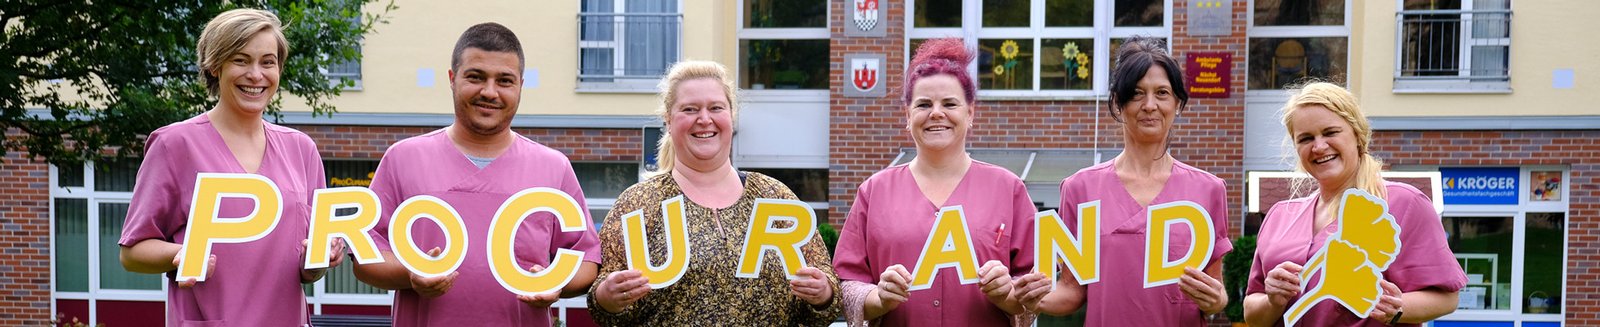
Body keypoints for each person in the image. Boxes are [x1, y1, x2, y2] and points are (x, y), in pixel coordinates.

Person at [350, 23, 601, 326]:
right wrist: (410, 274)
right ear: (453, 79)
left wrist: (556, 283)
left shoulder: (553, 167)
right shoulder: (404, 158)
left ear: (520, 85)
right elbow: (366, 257)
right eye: (476, 77)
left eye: (504, 80)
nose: (489, 92)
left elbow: (587, 259)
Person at [118, 8, 341, 326]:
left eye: (268, 62)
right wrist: (178, 255)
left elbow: (307, 272)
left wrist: (320, 259)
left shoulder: (301, 150)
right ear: (214, 65)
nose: (256, 74)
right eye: (240, 60)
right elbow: (132, 253)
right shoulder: (175, 145)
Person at [585, 60, 841, 326]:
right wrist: (607, 299)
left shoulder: (775, 197)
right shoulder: (637, 204)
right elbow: (603, 305)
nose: (704, 119)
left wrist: (823, 295)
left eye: (716, 108)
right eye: (690, 109)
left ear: (731, 116)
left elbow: (828, 296)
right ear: (668, 120)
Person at [832, 38, 1046, 326]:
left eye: (949, 103)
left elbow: (1037, 287)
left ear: (970, 113)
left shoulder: (1009, 190)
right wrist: (877, 298)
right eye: (923, 104)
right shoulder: (874, 191)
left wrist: (1008, 294)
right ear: (908, 116)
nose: (936, 113)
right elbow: (845, 286)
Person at [1030, 36, 1234, 325]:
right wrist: (1018, 296)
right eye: (1137, 93)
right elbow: (1071, 292)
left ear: (1177, 103)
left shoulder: (1208, 190)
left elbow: (1216, 292)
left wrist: (1217, 300)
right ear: (1118, 102)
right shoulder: (1080, 189)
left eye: (1162, 93)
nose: (1150, 104)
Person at [1243, 82, 1464, 326]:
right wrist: (1273, 301)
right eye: (1305, 138)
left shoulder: (1404, 203)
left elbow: (1447, 297)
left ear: (1357, 134)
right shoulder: (1279, 215)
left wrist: (1397, 308)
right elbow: (1252, 314)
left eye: (1330, 132)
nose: (1318, 147)